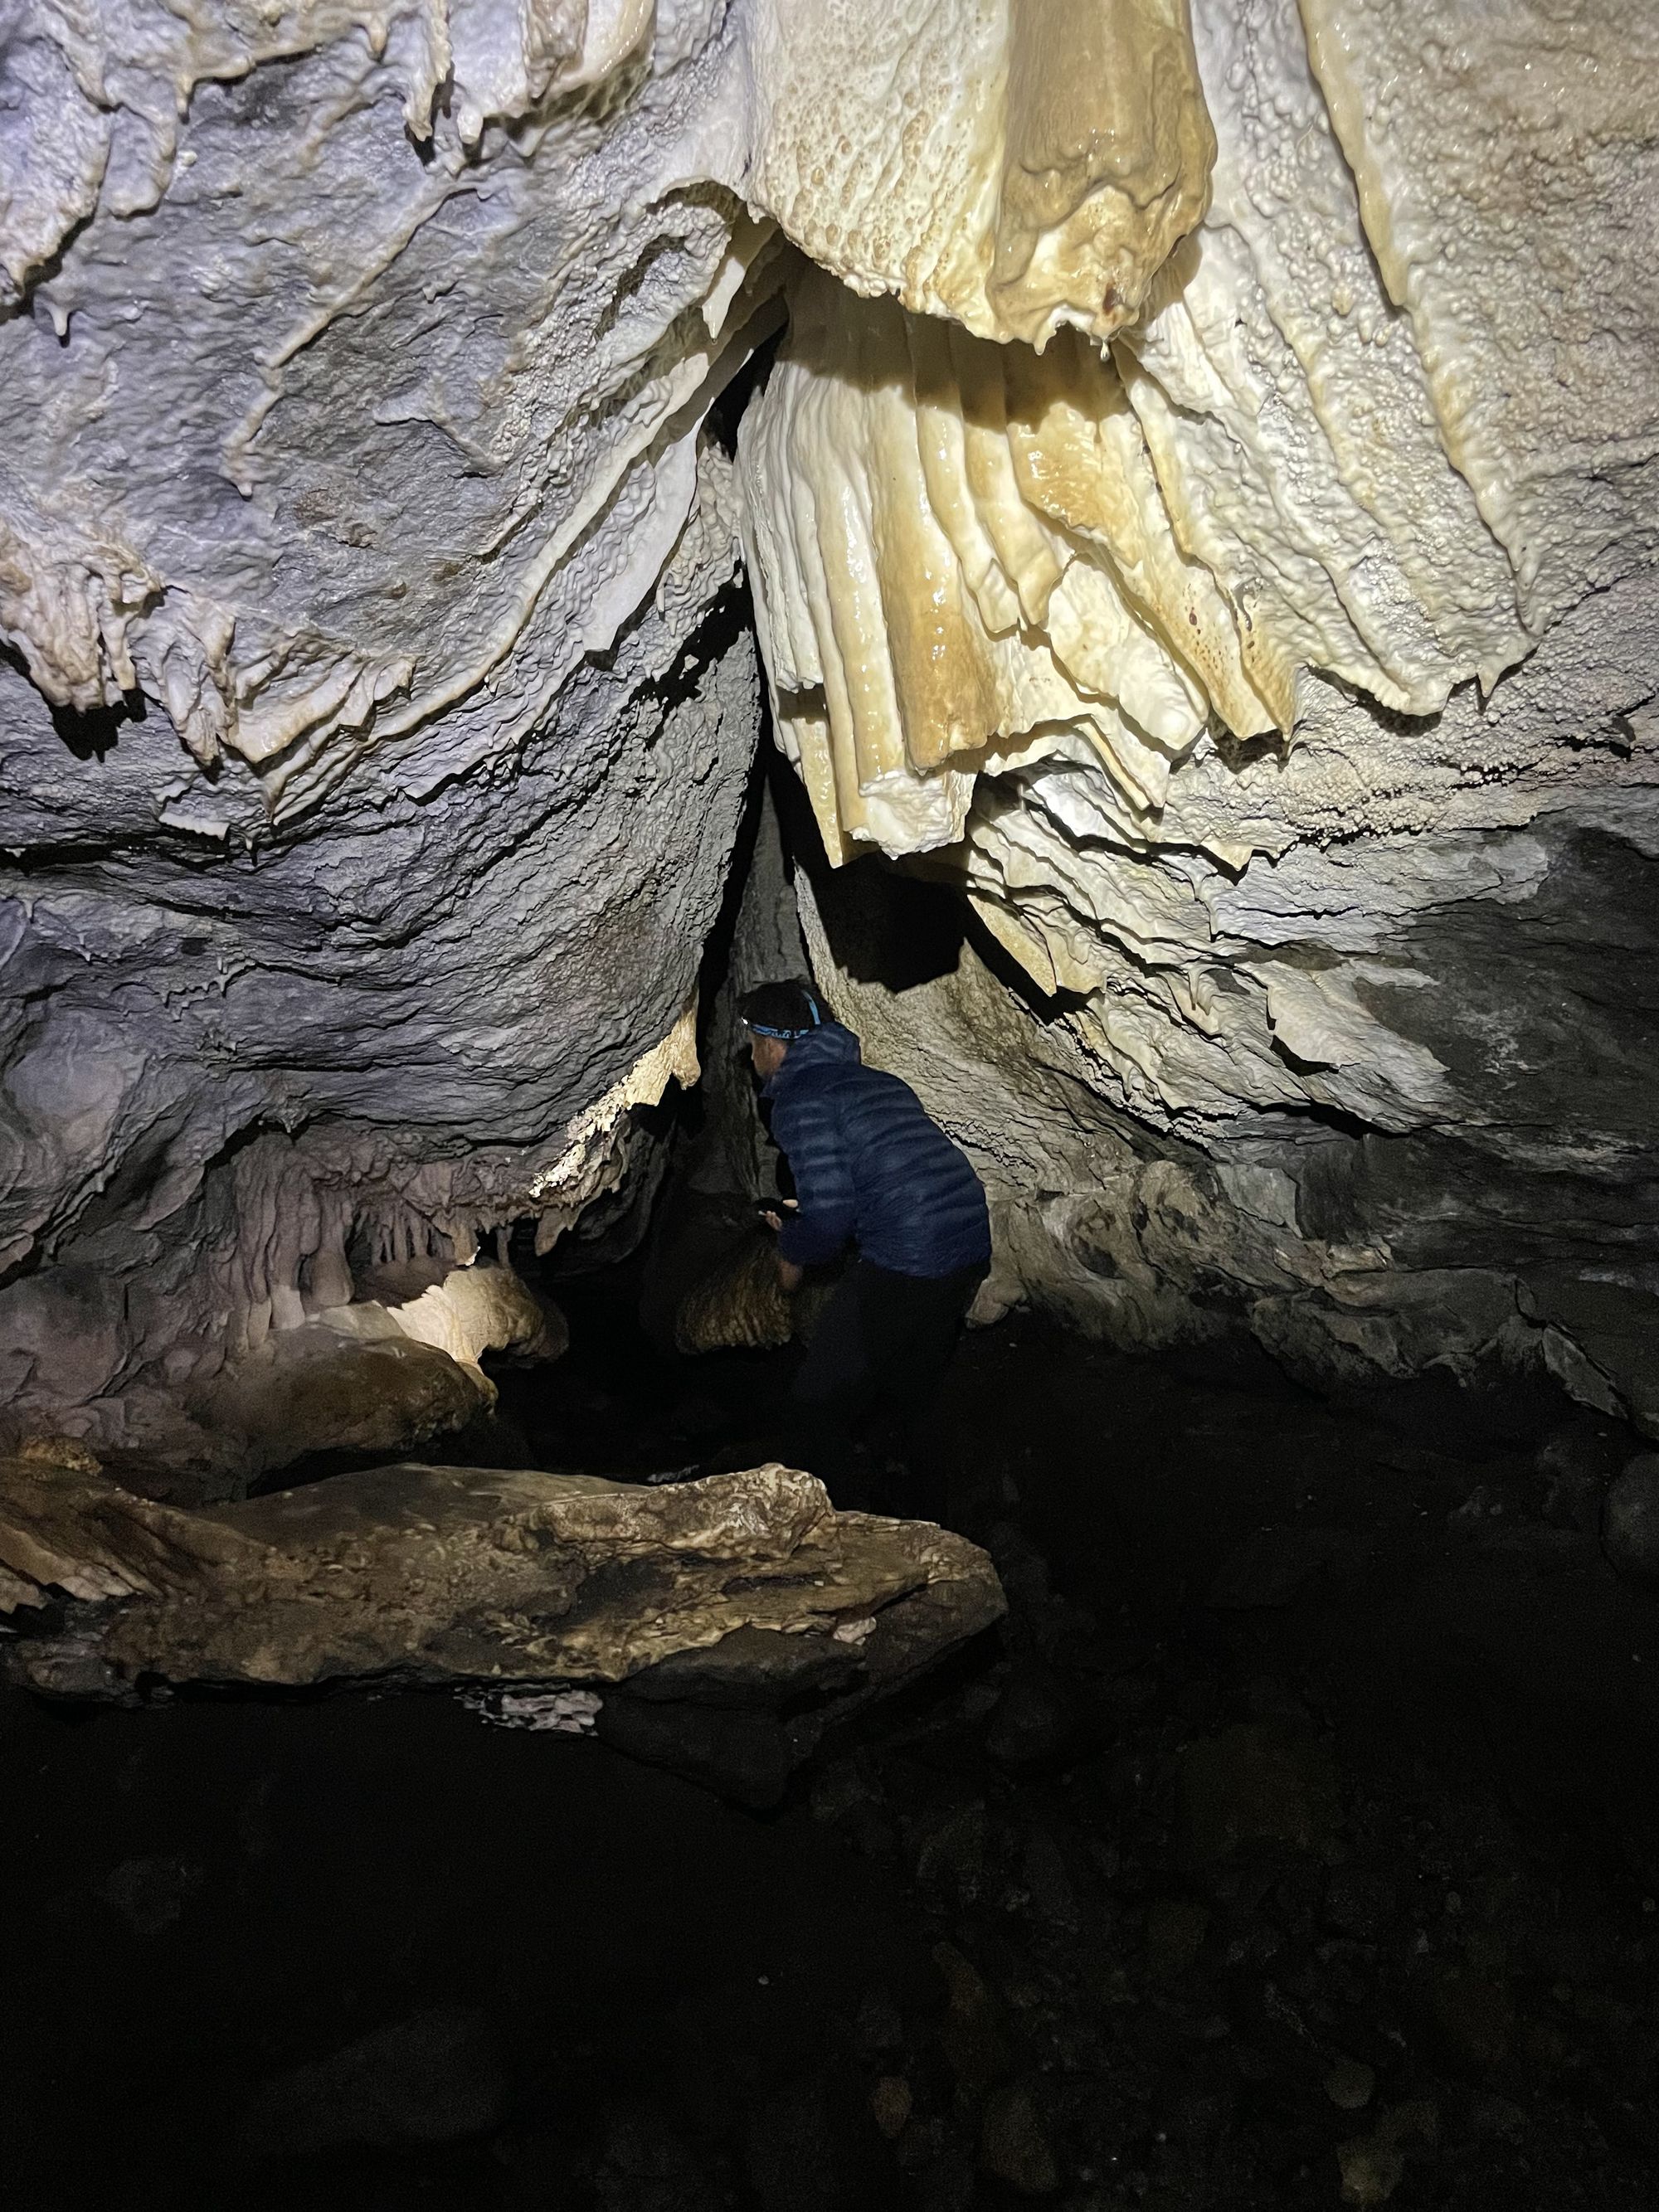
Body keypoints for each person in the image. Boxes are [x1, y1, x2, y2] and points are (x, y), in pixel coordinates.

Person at [737, 978, 991, 1517]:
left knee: (813, 1405)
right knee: (914, 1384)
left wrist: (790, 1254)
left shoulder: (800, 1100)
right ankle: (938, 1510)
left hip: (912, 1254)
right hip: (967, 1236)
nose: (752, 1053)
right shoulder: (876, 1083)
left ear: (774, 1047)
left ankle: (840, 1532)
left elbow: (830, 1221)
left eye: (754, 1041)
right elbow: (874, 1175)